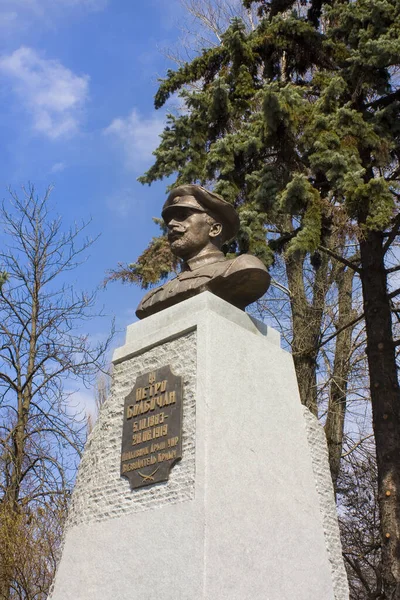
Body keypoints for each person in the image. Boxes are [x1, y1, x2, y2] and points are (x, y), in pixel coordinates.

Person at [136, 184, 270, 319]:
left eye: (183, 215)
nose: (171, 224)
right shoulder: (151, 299)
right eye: (170, 220)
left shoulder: (241, 267)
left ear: (214, 229)